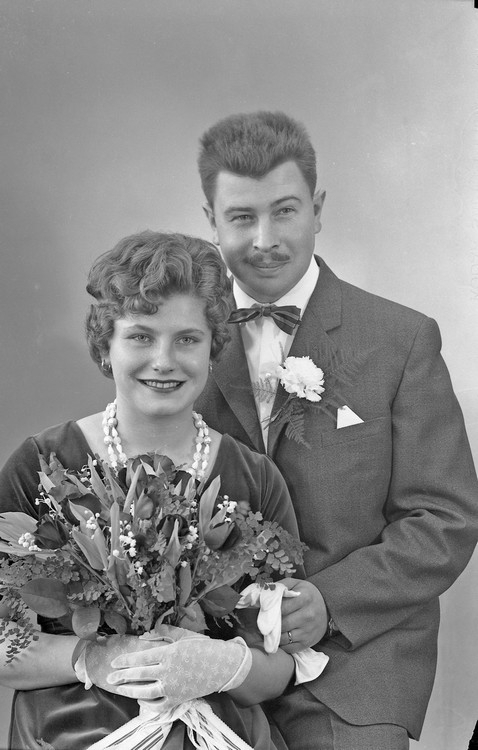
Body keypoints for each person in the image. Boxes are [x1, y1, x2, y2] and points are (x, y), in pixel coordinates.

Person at [194, 111, 478, 750]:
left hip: (357, 663)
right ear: (211, 219)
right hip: (213, 654)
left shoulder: (401, 340)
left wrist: (330, 601)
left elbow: (445, 518)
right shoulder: (181, 344)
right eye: (240, 217)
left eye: (284, 211)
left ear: (318, 209)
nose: (265, 239)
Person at [0, 231, 307, 750]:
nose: (164, 360)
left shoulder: (254, 477)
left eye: (187, 339)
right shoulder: (41, 465)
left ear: (213, 348)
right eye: (141, 337)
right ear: (106, 346)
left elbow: (280, 664)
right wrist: (89, 659)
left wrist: (227, 666)